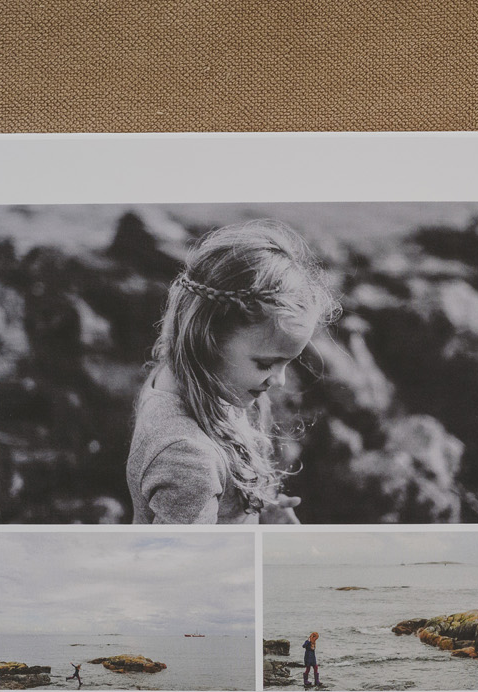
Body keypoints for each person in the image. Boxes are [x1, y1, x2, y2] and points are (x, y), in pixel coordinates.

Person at [127, 220, 337, 524]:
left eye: (288, 362)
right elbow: (187, 566)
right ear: (208, 338)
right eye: (265, 363)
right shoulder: (187, 458)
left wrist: (261, 509)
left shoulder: (184, 377)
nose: (279, 380)